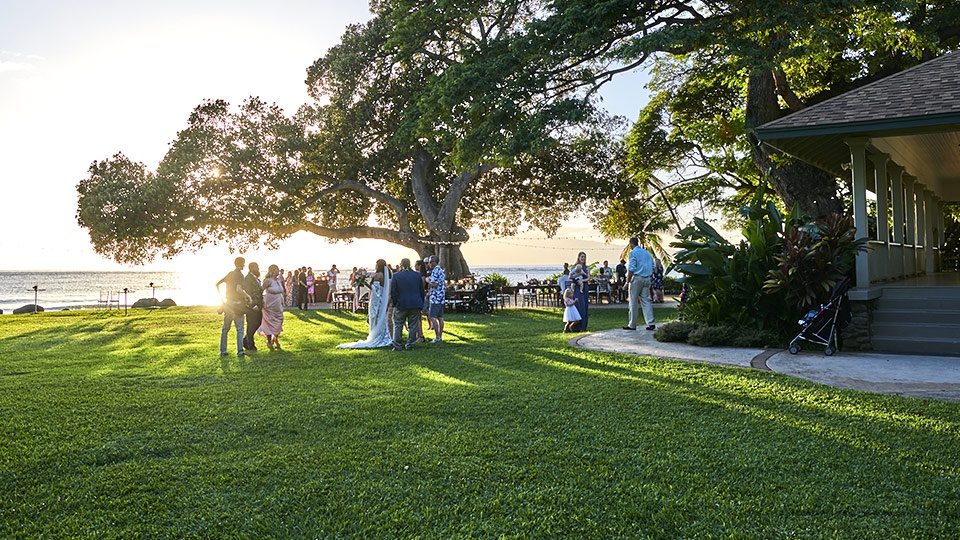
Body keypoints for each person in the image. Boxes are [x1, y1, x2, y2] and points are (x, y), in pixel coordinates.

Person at [338, 259, 394, 349]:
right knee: (382, 319)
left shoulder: (377, 275)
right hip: (383, 300)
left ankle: (376, 336)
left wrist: (364, 282)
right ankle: (383, 336)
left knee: (374, 318)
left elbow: (375, 290)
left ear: (378, 265)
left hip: (376, 301)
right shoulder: (385, 275)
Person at [216, 257, 250, 357]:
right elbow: (238, 289)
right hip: (237, 304)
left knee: (225, 328)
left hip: (228, 303)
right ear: (242, 264)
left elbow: (217, 284)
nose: (244, 265)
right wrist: (247, 296)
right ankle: (240, 351)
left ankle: (223, 351)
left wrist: (222, 300)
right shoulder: (240, 275)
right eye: (244, 263)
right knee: (239, 328)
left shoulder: (230, 274)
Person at [390, 258, 425, 351]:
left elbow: (393, 291)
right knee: (413, 325)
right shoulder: (417, 275)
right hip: (415, 303)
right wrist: (421, 302)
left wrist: (395, 302)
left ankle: (397, 345)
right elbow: (422, 290)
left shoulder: (396, 276)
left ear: (401, 264)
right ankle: (410, 345)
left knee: (398, 324)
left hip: (401, 303)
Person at [624, 237, 656, 331]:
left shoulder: (633, 253)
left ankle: (632, 324)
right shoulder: (647, 253)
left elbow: (632, 268)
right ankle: (651, 322)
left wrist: (627, 282)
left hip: (637, 278)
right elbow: (653, 267)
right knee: (646, 301)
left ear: (631, 244)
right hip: (647, 278)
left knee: (633, 301)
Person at [258, 264, 285, 350]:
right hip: (269, 304)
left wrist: (282, 299)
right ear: (273, 271)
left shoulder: (278, 280)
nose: (278, 271)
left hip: (278, 304)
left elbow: (280, 291)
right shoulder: (268, 281)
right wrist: (261, 301)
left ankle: (275, 338)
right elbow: (260, 290)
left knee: (280, 320)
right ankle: (269, 341)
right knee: (269, 322)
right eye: (277, 269)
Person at [242, 262, 263, 352]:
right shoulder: (248, 278)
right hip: (252, 306)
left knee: (257, 323)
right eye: (257, 267)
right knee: (251, 324)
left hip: (259, 304)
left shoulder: (256, 278)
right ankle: (250, 344)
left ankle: (246, 340)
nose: (258, 269)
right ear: (252, 268)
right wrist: (252, 305)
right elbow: (247, 292)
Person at [425, 255, 446, 342]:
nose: (429, 264)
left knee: (432, 316)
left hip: (435, 298)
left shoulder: (435, 271)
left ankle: (437, 336)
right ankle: (440, 336)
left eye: (430, 262)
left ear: (434, 262)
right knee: (440, 317)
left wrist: (427, 280)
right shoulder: (441, 270)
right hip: (441, 297)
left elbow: (434, 284)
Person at [570, 251, 590, 331]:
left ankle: (583, 326)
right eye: (582, 257)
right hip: (577, 288)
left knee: (584, 306)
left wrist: (583, 281)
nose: (583, 258)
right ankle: (576, 326)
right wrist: (578, 275)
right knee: (578, 305)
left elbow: (588, 278)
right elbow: (571, 276)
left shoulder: (587, 267)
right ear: (578, 257)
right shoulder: (574, 267)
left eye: (584, 257)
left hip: (584, 287)